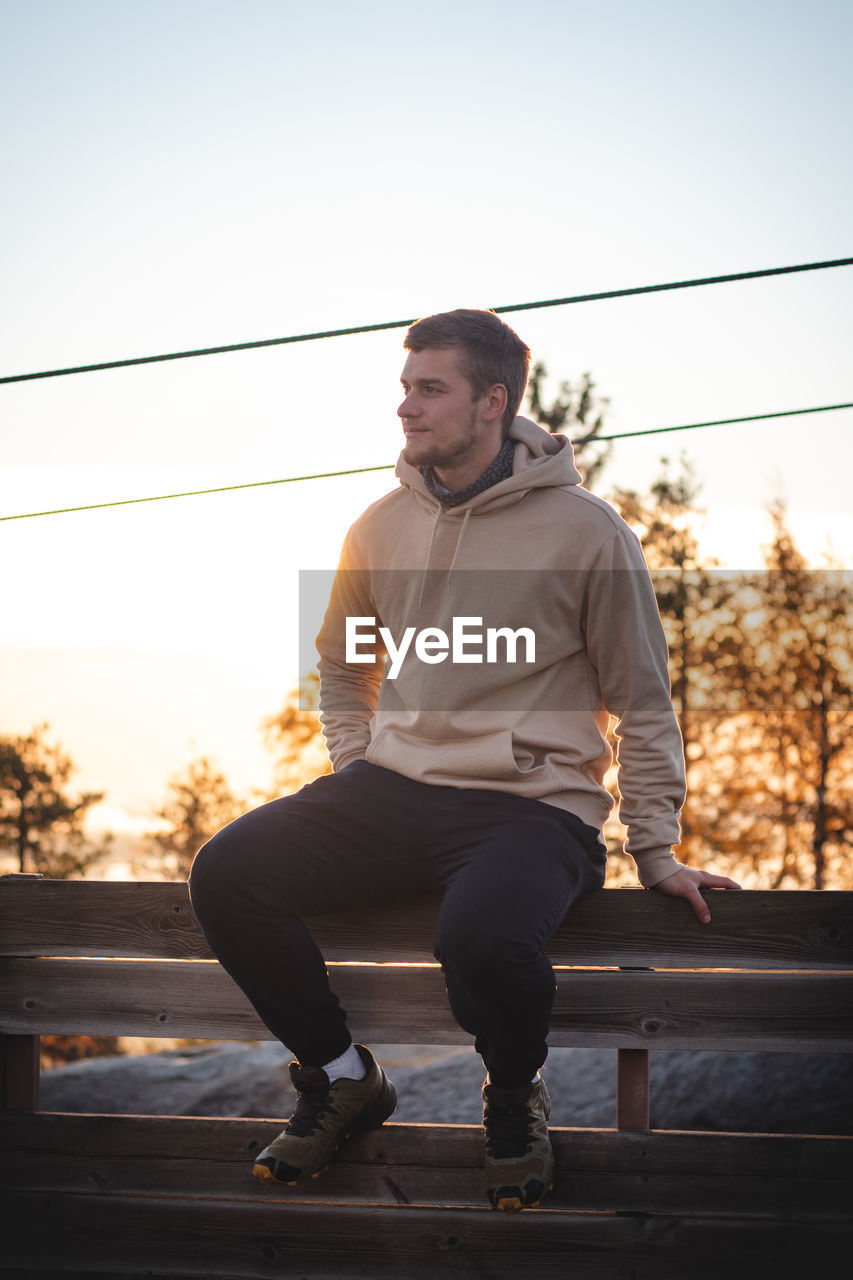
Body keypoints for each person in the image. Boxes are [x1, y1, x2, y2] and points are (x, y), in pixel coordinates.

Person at [188, 308, 740, 1213]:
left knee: (478, 938)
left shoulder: (587, 532)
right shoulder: (377, 525)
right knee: (228, 872)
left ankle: (514, 1094)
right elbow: (343, 663)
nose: (405, 407)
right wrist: (356, 764)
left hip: (536, 807)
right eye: (404, 388)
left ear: (492, 401)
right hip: (393, 792)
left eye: (428, 388)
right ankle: (342, 1078)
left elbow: (642, 700)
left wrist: (654, 849)